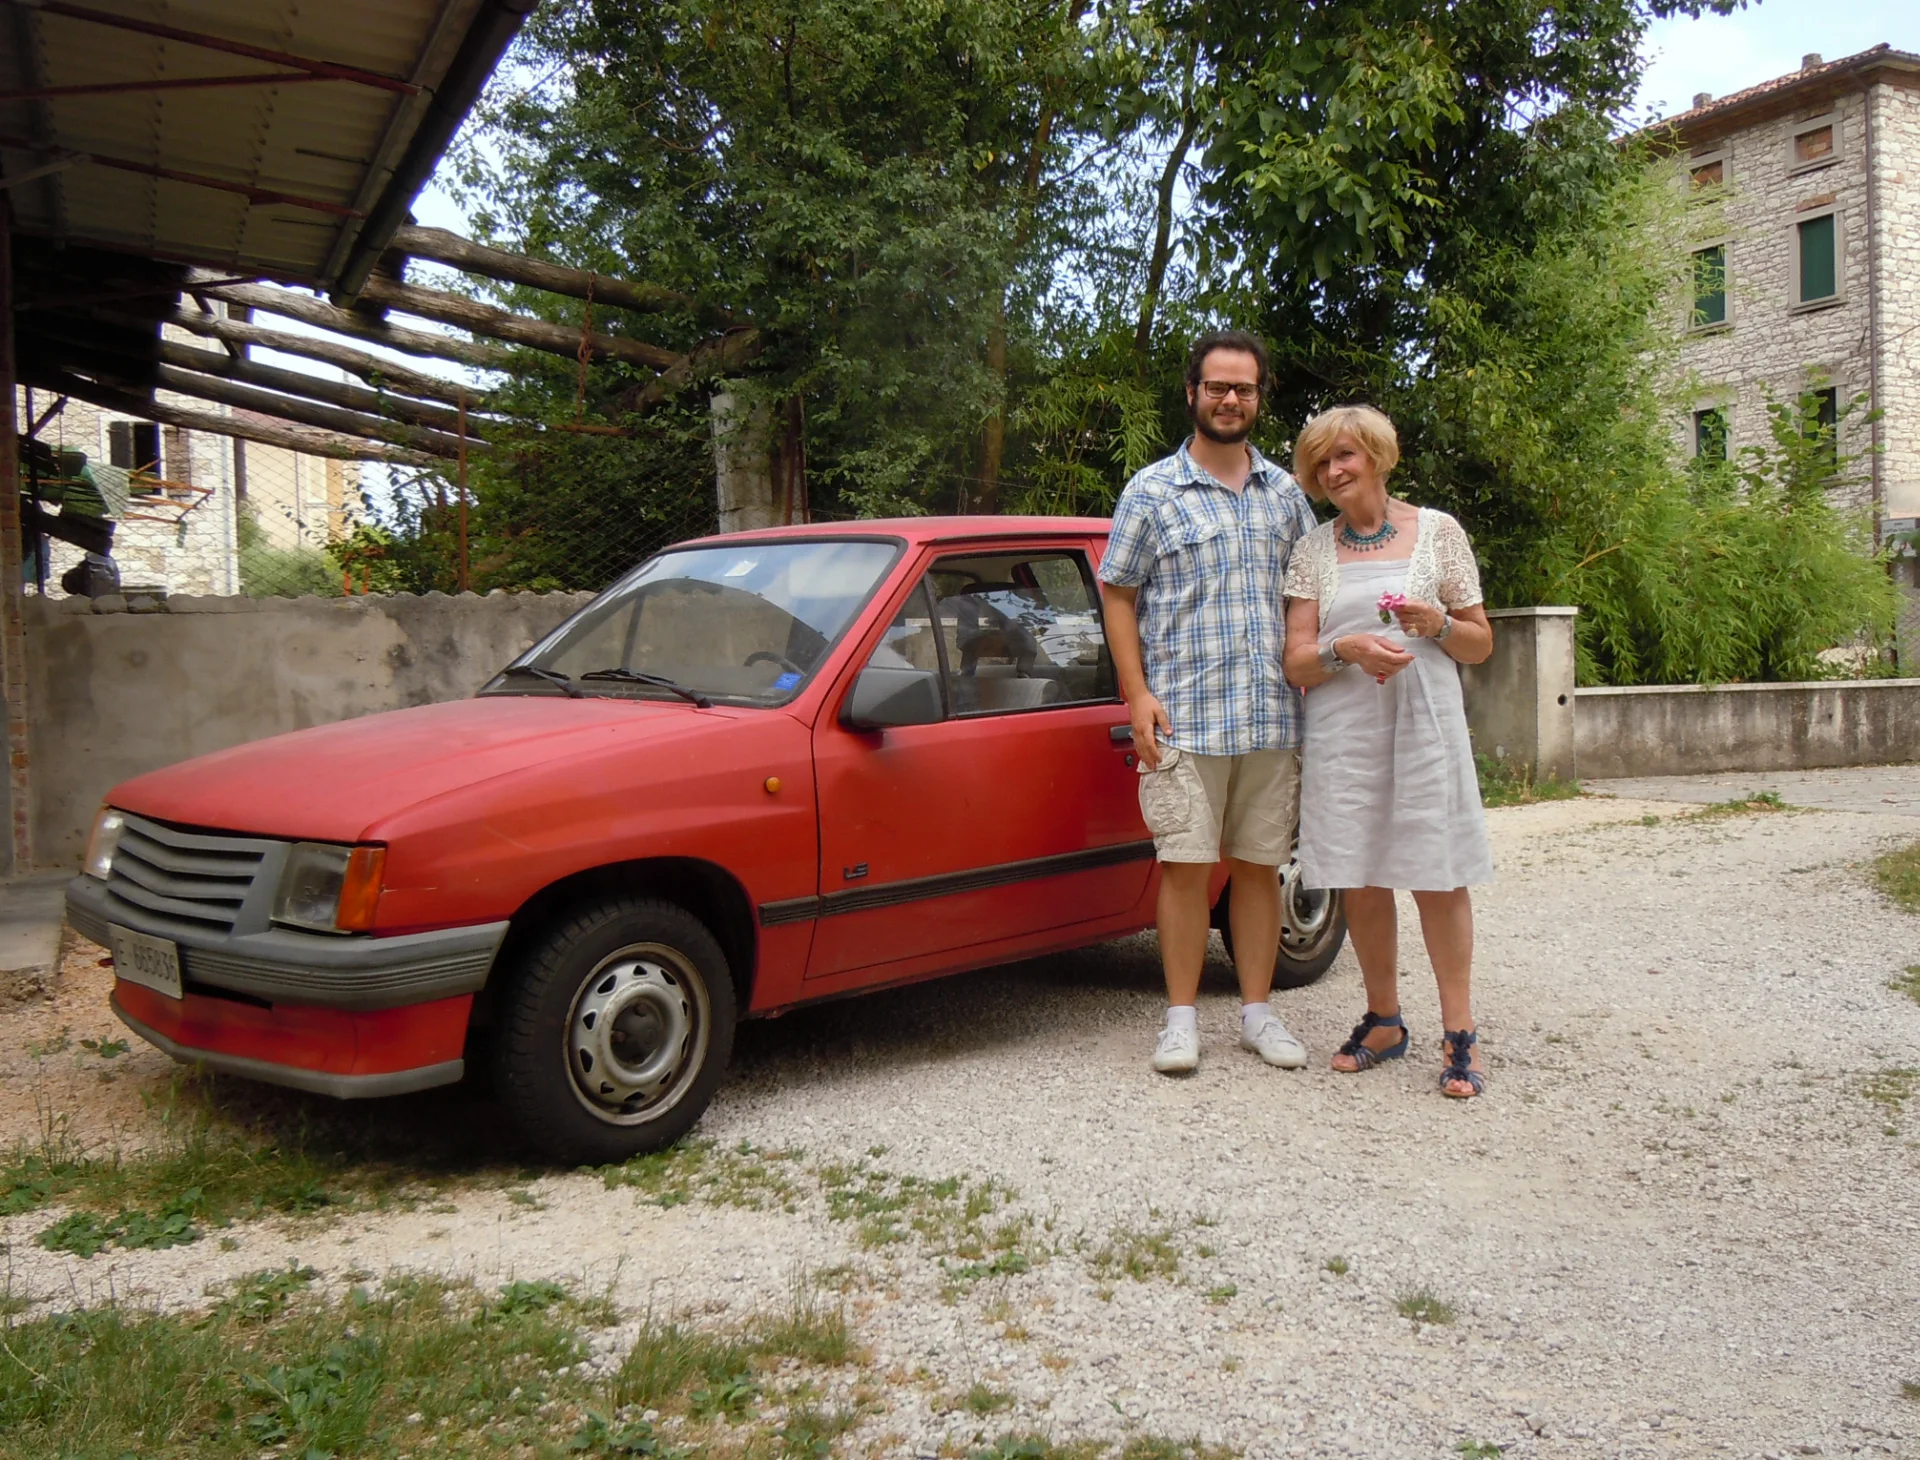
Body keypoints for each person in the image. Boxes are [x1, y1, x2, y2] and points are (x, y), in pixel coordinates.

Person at [1099, 330, 1319, 1075]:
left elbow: (1307, 600)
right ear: (1191, 393)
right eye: (1218, 387)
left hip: (1269, 713)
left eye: (1245, 388)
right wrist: (1137, 694)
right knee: (1186, 867)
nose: (1231, 400)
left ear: (1261, 396)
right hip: (1182, 715)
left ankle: (1258, 1014)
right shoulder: (1151, 491)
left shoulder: (1287, 496)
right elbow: (1118, 595)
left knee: (1258, 868)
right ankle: (1182, 1021)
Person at [1280, 405, 1495, 1098]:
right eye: (1321, 464)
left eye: (1344, 456)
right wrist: (1344, 649)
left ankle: (1459, 1032)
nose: (1333, 471)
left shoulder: (1437, 533)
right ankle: (1383, 1020)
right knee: (1361, 873)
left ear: (1376, 454)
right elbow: (1297, 662)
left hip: (1426, 722)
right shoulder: (1313, 549)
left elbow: (1480, 642)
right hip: (1347, 727)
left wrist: (1437, 624)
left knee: (1437, 873)